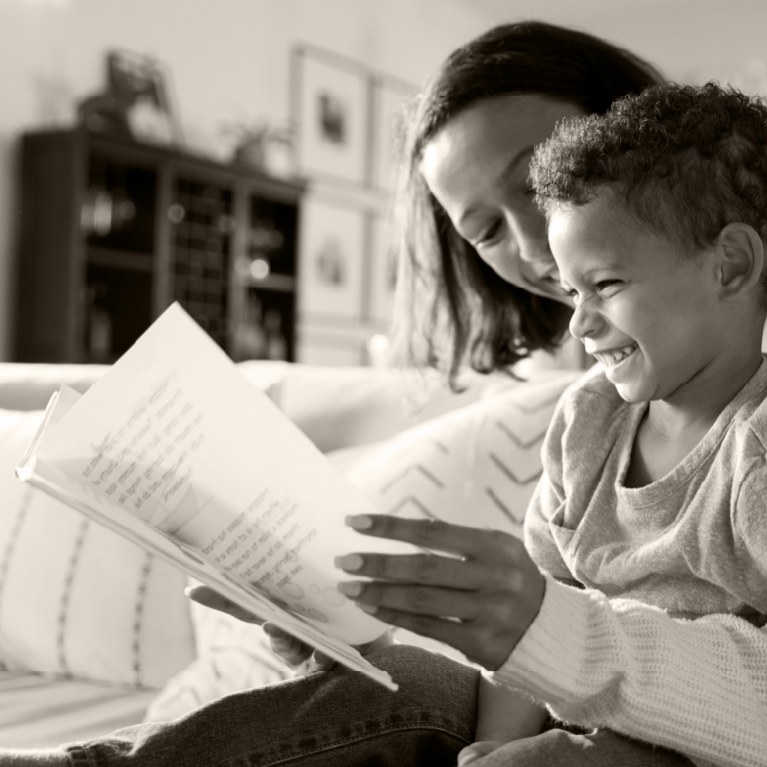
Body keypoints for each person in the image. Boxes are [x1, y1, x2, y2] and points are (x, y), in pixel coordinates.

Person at [0, 21, 718, 767]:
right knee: (405, 686)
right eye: (485, 231)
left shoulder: (739, 428)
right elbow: (539, 631)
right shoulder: (590, 414)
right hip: (565, 717)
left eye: (542, 174)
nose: (535, 246)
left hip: (674, 735)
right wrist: (344, 641)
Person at [336, 81, 767, 767]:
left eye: (606, 285)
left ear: (730, 264)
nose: (579, 323)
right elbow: (543, 604)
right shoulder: (587, 419)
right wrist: (499, 744)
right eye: (571, 290)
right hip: (578, 715)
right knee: (386, 694)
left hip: (702, 742)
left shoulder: (754, 448)